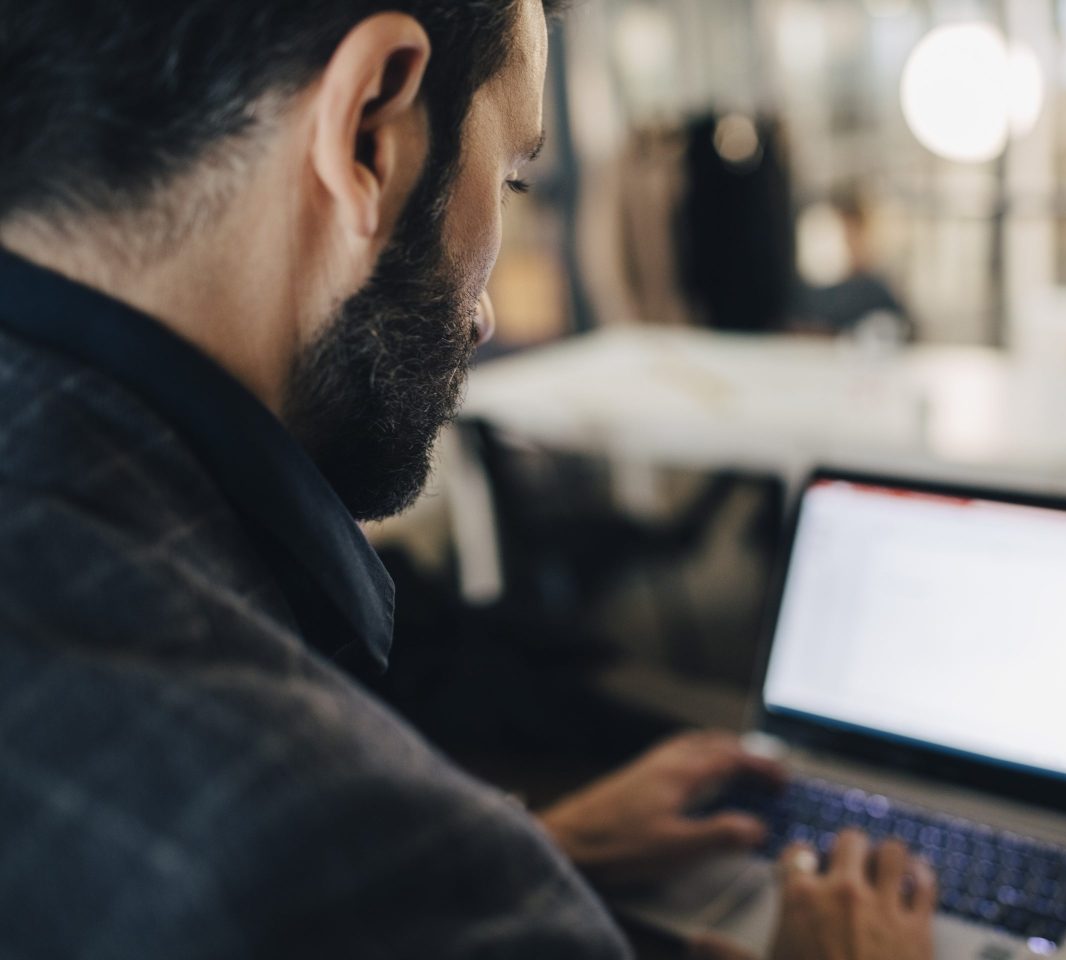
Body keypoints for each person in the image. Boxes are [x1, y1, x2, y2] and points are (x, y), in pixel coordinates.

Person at [0, 1, 936, 958]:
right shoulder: (347, 851)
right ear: (370, 126)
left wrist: (539, 846)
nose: (482, 314)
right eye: (514, 175)